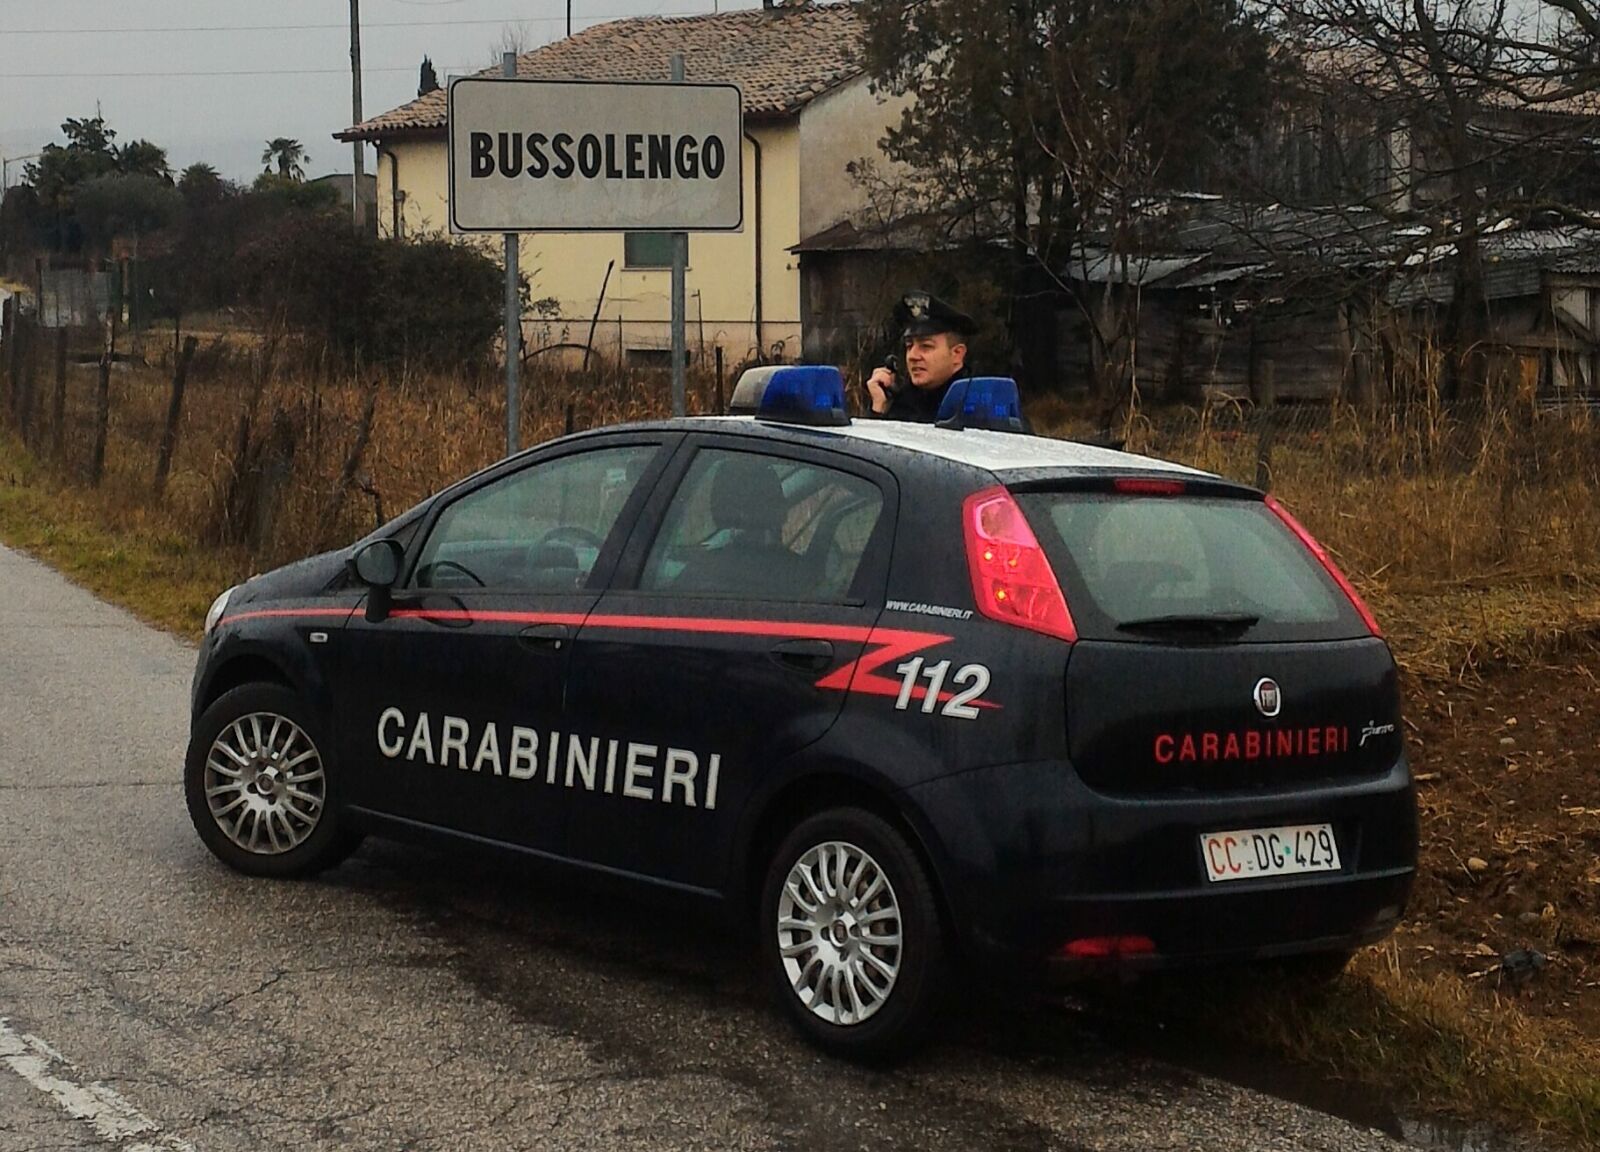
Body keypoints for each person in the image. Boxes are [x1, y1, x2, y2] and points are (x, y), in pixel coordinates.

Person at [863, 290, 977, 421]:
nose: (912, 356)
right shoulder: (904, 403)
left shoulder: (977, 403)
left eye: (926, 346)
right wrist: (879, 407)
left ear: (957, 354)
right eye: (909, 346)